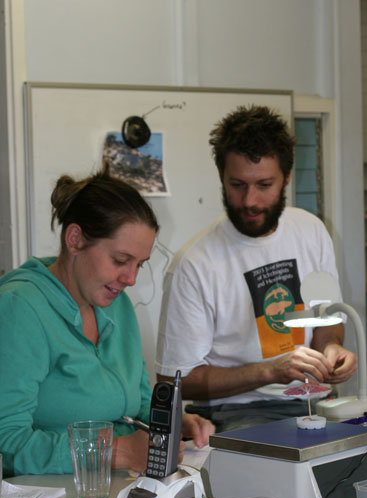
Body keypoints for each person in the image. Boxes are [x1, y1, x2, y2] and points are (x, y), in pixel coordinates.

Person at [0, 166, 214, 476]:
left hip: (116, 489)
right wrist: (117, 451)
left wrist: (169, 426)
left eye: (139, 264)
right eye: (120, 260)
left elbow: (137, 406)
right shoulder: (20, 308)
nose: (130, 278)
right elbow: (9, 443)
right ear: (74, 240)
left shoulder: (118, 307)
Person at [156, 105, 357, 431]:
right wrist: (270, 371)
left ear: (286, 179)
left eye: (264, 185)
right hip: (237, 412)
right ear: (222, 177)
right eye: (237, 185)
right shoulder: (193, 264)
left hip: (313, 400)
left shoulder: (311, 231)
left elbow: (328, 321)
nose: (250, 201)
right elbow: (175, 382)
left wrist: (332, 350)